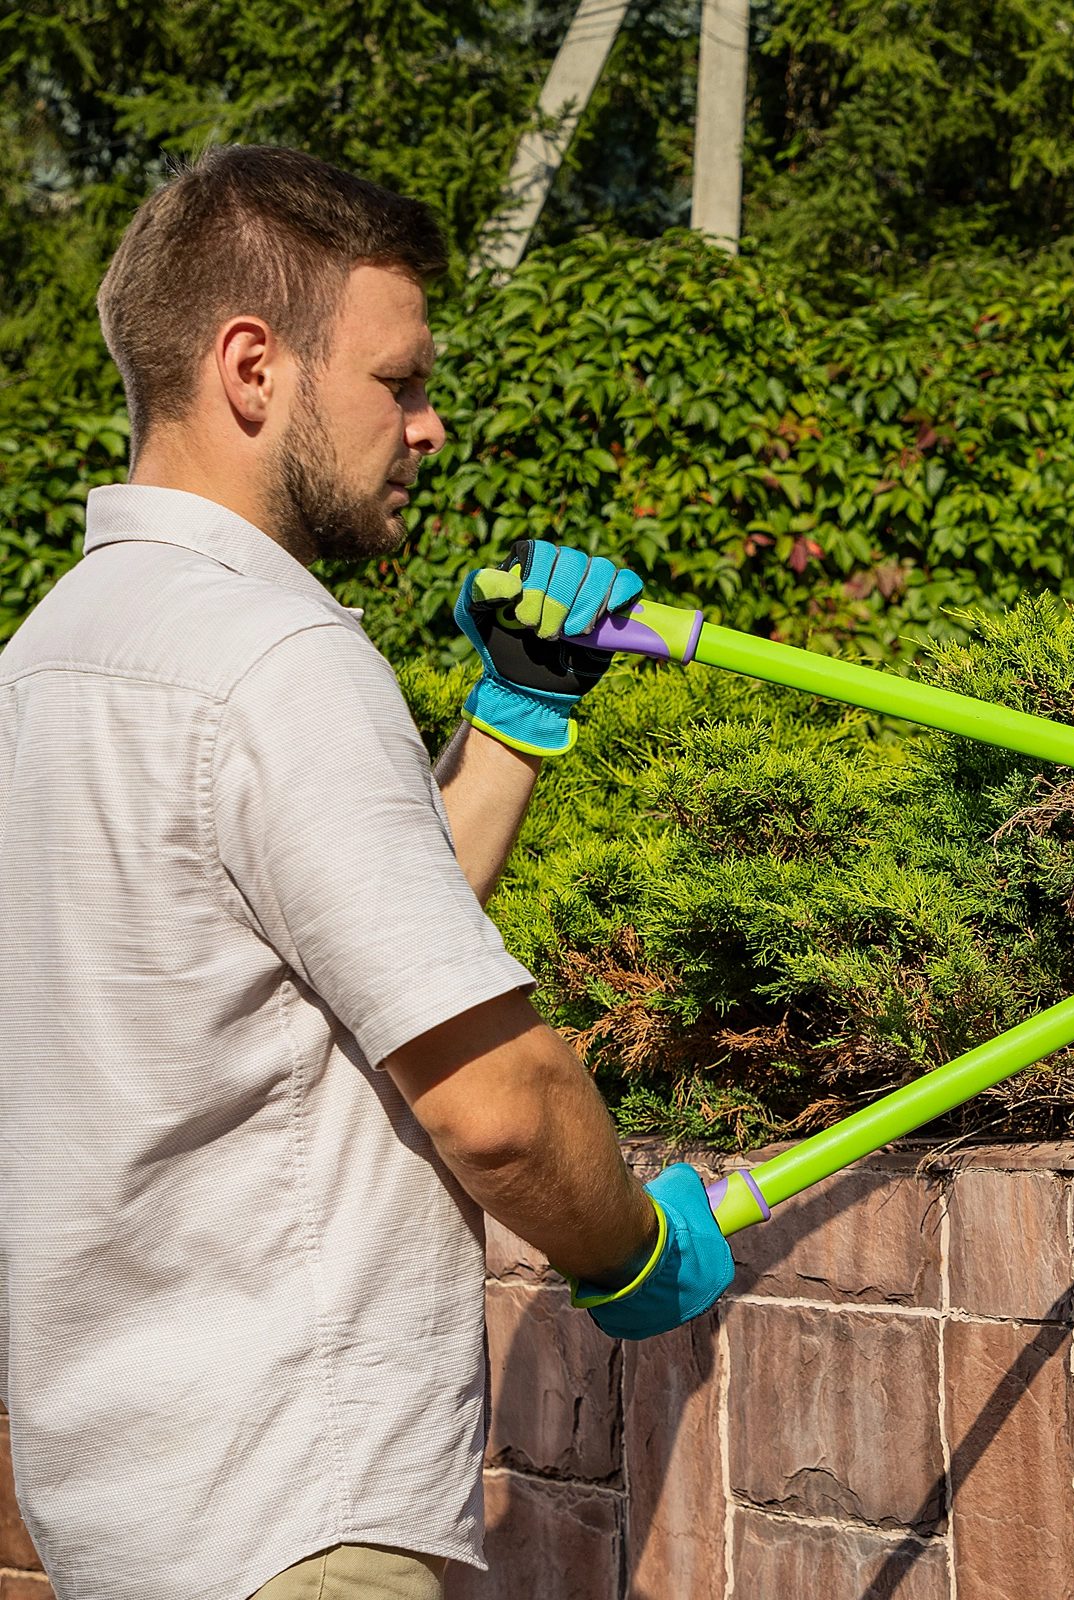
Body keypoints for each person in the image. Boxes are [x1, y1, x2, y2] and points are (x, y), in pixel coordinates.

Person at [0, 145, 733, 1600]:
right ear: (253, 369)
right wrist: (635, 1249)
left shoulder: (47, 660)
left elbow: (326, 973)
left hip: (124, 1520)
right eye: (398, 382)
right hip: (298, 1514)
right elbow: (497, 1113)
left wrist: (515, 716)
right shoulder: (277, 659)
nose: (429, 425)